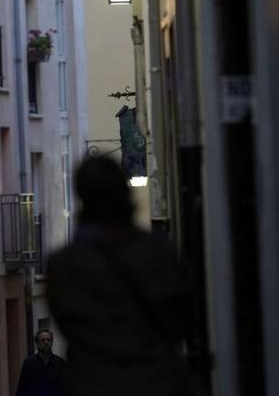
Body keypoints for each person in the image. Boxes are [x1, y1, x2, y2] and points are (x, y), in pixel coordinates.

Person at [45, 156, 192, 396]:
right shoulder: (158, 254)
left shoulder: (64, 266)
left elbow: (66, 323)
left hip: (91, 385)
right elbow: (183, 318)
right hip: (156, 383)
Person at [14, 329, 67, 396]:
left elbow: (66, 389)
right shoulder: (29, 363)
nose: (46, 342)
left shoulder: (60, 363)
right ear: (37, 343)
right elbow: (22, 388)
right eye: (43, 340)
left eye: (49, 340)